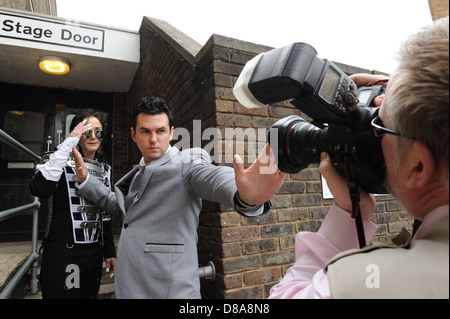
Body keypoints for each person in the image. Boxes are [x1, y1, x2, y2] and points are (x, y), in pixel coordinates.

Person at [269, 16, 449, 299]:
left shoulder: (371, 283)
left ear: (419, 165)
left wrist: (345, 221)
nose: (372, 128)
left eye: (380, 126)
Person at [72, 97, 285, 298]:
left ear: (172, 133)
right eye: (145, 131)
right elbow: (117, 206)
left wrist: (245, 195)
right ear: (134, 135)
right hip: (129, 286)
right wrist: (86, 180)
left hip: (168, 290)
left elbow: (212, 177)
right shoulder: (138, 172)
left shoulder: (187, 163)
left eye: (161, 131)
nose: (153, 139)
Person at [30, 109, 116, 299]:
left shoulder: (105, 169)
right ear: (76, 133)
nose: (93, 136)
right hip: (64, 254)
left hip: (93, 254)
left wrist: (109, 251)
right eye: (87, 132)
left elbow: (105, 214)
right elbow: (39, 188)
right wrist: (68, 144)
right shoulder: (58, 161)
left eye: (98, 132)